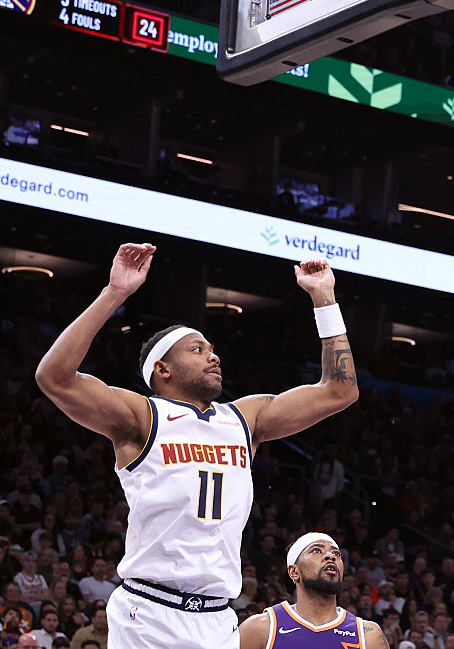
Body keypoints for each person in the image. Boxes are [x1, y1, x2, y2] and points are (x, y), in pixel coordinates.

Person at [35, 243, 360, 649]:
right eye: (198, 349)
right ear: (162, 368)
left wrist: (324, 299)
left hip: (218, 617)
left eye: (212, 348)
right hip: (149, 611)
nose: (214, 356)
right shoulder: (141, 417)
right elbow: (55, 377)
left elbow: (339, 391)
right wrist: (114, 293)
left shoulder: (244, 419)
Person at [238, 532, 388, 648]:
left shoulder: (367, 635)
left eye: (336, 553)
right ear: (294, 572)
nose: (330, 556)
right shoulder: (261, 628)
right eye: (317, 551)